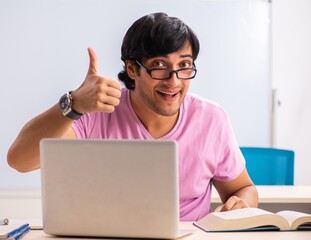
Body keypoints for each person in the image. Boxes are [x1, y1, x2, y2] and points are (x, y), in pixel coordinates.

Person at [7, 12, 258, 221]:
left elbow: (243, 188)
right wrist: (73, 103)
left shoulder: (212, 119)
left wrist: (241, 204)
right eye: (160, 65)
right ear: (132, 69)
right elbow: (20, 160)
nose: (174, 81)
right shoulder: (97, 111)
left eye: (184, 66)